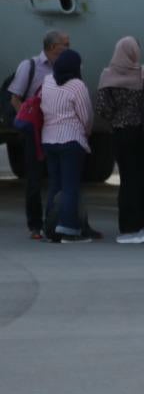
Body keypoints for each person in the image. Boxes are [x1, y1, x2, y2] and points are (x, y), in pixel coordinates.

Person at [96, 37, 144, 244]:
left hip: (124, 133)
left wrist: (119, 115)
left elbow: (103, 108)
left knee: (129, 180)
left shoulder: (107, 76)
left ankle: (131, 229)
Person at [8, 30, 69, 240]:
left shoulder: (66, 68)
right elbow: (15, 98)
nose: (68, 47)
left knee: (58, 178)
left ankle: (56, 221)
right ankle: (35, 225)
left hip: (56, 129)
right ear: (53, 47)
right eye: (65, 44)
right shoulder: (30, 66)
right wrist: (27, 123)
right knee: (34, 179)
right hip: (34, 131)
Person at [40, 49, 93, 243]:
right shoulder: (77, 86)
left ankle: (50, 228)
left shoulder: (47, 81)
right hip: (71, 140)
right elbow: (86, 115)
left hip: (49, 139)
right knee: (71, 187)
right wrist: (86, 132)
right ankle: (69, 230)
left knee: (55, 185)